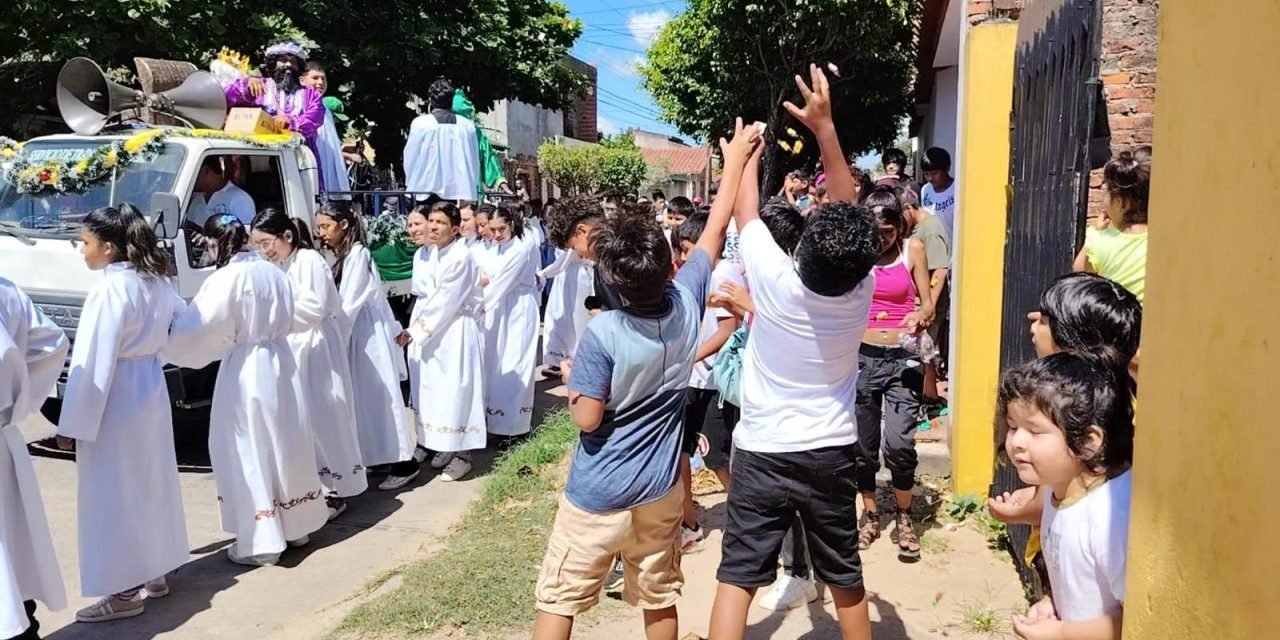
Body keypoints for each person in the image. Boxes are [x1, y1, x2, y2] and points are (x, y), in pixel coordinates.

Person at [532, 117, 759, 640]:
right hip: (659, 489)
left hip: (599, 491)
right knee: (657, 596)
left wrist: (572, 380)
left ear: (610, 278)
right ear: (668, 264)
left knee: (559, 597)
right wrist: (736, 161)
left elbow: (589, 419)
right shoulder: (687, 300)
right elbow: (715, 228)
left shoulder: (604, 332)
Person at [708, 65, 881, 640]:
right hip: (830, 450)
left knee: (737, 575)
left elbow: (746, 212)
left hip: (761, 450)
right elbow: (848, 208)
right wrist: (825, 130)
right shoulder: (862, 289)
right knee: (844, 573)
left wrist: (747, 154)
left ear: (801, 247)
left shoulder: (775, 280)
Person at [166, 214, 327, 566]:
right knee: (285, 442)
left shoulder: (226, 278)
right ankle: (295, 525)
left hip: (247, 368)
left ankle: (262, 539)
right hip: (282, 363)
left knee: (248, 447)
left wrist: (170, 335)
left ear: (215, 242)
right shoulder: (273, 271)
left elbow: (200, 327)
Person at [54, 205, 189, 623]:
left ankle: (124, 590)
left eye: (86, 242)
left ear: (109, 249)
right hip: (149, 387)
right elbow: (183, 327)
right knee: (150, 481)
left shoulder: (110, 290)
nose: (81, 250)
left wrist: (71, 424)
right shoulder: (156, 282)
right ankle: (154, 570)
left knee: (113, 492)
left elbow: (93, 363)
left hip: (115, 398)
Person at [988, 272, 1142, 562]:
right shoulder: (1120, 396)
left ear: (1072, 342)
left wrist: (1026, 510)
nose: (1033, 323)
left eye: (1045, 319)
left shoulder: (1095, 416)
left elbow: (1082, 490)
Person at [996, 352, 1133, 640]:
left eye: (1035, 431)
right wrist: (1052, 605)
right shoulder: (1058, 488)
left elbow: (1134, 619)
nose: (1017, 442)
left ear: (1087, 442)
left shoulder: (1112, 517)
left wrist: (1062, 634)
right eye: (1013, 427)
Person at [251, 208, 367, 518]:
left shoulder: (310, 261)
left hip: (316, 346)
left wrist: (275, 317)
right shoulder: (282, 264)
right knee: (303, 419)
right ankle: (316, 485)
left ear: (286, 236)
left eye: (266, 243)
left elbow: (315, 306)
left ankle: (336, 488)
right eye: (258, 245)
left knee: (324, 412)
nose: (264, 251)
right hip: (295, 345)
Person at [853, 187, 936, 559]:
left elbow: (928, 302)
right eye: (875, 232)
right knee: (862, 448)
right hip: (861, 358)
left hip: (903, 359)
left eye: (887, 232)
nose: (881, 239)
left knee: (900, 445)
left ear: (899, 227)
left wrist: (920, 314)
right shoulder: (856, 256)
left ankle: (904, 515)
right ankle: (870, 515)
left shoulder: (913, 250)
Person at [314, 204, 419, 490]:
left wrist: (331, 343)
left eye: (326, 226)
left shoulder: (358, 254)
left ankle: (403, 462)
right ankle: (378, 456)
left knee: (379, 398)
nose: (321, 233)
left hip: (366, 334)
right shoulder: (340, 255)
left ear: (344, 225)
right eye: (319, 227)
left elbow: (349, 302)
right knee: (363, 401)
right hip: (355, 335)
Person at [1, 279, 69, 640]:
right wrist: (20, 405)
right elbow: (52, 344)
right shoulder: (6, 290)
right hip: (4, 435)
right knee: (15, 546)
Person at [400, 202, 486, 481]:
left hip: (454, 331)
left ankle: (463, 455)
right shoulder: (432, 253)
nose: (433, 227)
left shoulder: (461, 257)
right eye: (432, 221)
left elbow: (447, 300)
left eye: (440, 222)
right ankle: (441, 445)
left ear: (456, 228)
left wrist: (416, 331)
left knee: (456, 391)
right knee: (433, 392)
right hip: (432, 330)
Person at [671, 210, 742, 552]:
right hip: (692, 381)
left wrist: (690, 357)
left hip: (715, 382)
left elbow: (728, 330)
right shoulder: (695, 276)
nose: (684, 257)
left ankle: (749, 519)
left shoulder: (725, 275)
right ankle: (690, 525)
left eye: (688, 249)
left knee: (716, 458)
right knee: (682, 454)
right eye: (681, 250)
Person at [224, 42, 327, 188]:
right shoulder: (260, 86)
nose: (288, 65)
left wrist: (291, 122)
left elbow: (315, 117)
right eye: (283, 60)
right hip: (258, 158)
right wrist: (247, 83)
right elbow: (226, 97)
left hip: (297, 159)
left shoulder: (309, 94)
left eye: (293, 61)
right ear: (273, 64)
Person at [479, 206, 540, 438]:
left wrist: (476, 306)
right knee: (496, 363)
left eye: (501, 229)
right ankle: (495, 419)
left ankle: (514, 427)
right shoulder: (494, 249)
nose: (496, 235)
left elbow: (499, 284)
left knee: (516, 362)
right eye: (492, 229)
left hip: (518, 309)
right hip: (498, 309)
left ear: (512, 225)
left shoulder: (520, 249)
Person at [1074, 150, 1149, 302]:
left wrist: (1095, 232)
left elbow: (1079, 274)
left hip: (1115, 322)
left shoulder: (1099, 240)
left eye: (1106, 193)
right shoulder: (1168, 238)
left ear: (1121, 203)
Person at [902, 184, 951, 383]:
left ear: (908, 208)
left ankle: (928, 394)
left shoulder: (930, 230)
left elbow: (939, 270)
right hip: (921, 303)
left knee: (924, 351)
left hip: (929, 302)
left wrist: (927, 307)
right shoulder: (918, 227)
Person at [403, 78, 480, 201]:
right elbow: (474, 160)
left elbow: (410, 157)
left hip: (425, 189)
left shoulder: (421, 124)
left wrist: (411, 183)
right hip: (461, 190)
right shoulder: (467, 126)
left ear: (430, 101)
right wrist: (472, 184)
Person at [544, 195, 623, 313]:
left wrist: (608, 319)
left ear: (581, 231)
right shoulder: (601, 262)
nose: (579, 255)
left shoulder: (623, 255)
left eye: (574, 248)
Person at [300, 62, 354, 198]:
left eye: (323, 79)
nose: (320, 82)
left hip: (330, 184)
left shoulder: (324, 107)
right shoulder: (298, 103)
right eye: (315, 78)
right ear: (302, 80)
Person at [539, 243, 593, 375]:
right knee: (559, 318)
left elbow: (566, 258)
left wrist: (545, 273)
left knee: (580, 320)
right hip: (564, 275)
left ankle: (581, 361)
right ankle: (558, 358)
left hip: (580, 276)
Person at [452, 89, 508, 198]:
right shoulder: (435, 129)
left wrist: (500, 181)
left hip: (469, 194)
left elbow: (487, 156)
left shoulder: (474, 132)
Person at [186, 156, 256, 227]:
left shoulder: (240, 199)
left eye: (195, 172)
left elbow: (246, 234)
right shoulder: (197, 200)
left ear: (206, 170)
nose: (192, 178)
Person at [920, 147, 956, 239]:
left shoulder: (957, 189)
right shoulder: (926, 190)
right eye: (926, 174)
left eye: (934, 173)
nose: (930, 178)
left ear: (947, 168)